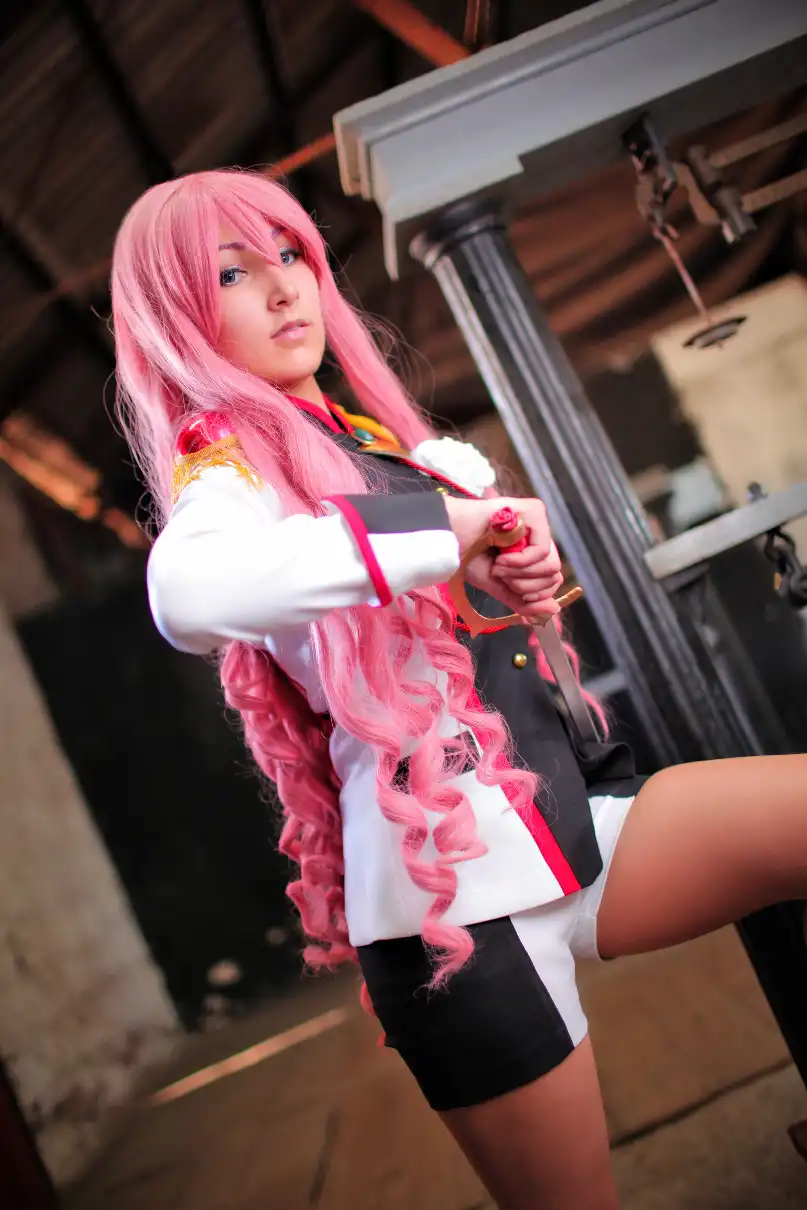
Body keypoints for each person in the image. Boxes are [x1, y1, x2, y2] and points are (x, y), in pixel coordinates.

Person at [110, 168, 807, 1210]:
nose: (286, 286)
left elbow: (435, 606)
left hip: (567, 822)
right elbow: (189, 592)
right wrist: (447, 529)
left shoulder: (357, 439)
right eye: (233, 273)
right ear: (178, 316)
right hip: (454, 924)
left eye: (292, 254)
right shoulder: (226, 463)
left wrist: (506, 569)